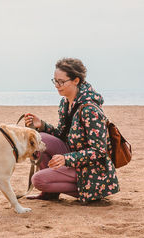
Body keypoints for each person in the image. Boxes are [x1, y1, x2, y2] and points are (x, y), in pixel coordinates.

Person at [24, 58, 119, 203]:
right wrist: (41, 125)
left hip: (92, 170)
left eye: (61, 82)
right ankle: (50, 194)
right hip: (74, 159)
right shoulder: (65, 103)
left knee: (38, 180)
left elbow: (99, 151)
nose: (57, 85)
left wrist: (66, 159)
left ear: (76, 80)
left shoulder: (90, 109)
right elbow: (61, 135)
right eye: (55, 81)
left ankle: (91, 191)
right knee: (39, 138)